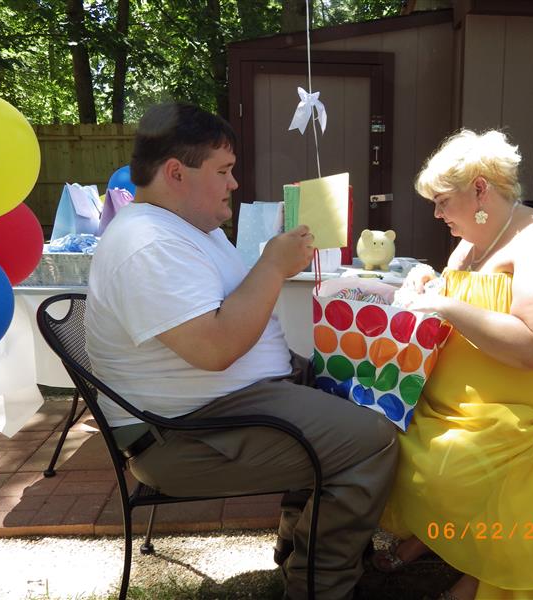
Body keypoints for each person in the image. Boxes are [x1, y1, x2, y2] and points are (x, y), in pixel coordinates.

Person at [85, 102, 398, 600]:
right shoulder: (148, 244)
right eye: (223, 171)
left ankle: (299, 555)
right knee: (373, 442)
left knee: (357, 389)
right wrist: (272, 266)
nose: (234, 183)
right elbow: (214, 349)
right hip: (188, 434)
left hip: (222, 407)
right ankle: (320, 587)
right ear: (176, 173)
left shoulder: (181, 229)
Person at [374, 129, 533, 600]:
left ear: (480, 189)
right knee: (384, 435)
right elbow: (466, 302)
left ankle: (493, 575)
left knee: (454, 466)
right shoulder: (473, 241)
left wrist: (445, 305)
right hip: (473, 402)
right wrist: (428, 283)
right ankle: (435, 537)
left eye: (443, 201)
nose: (437, 213)